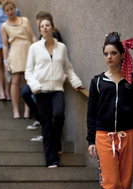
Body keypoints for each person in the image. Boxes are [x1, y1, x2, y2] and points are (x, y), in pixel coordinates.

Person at [87, 32, 133, 189]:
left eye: (113, 53)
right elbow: (91, 114)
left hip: (129, 136)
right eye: (106, 54)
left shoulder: (132, 81)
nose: (109, 57)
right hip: (104, 137)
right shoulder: (97, 81)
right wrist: (91, 140)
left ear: (122, 55)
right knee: (111, 186)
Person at [25, 17, 84, 168]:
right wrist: (35, 85)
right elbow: (29, 71)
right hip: (41, 91)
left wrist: (76, 82)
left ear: (52, 28)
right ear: (40, 30)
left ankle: (57, 143)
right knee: (46, 124)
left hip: (57, 89)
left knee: (58, 116)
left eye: (47, 25)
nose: (45, 28)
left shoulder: (62, 47)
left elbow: (68, 68)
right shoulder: (34, 48)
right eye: (42, 26)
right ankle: (51, 160)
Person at [22, 11, 62, 142]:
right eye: (40, 24)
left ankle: (45, 129)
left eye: (43, 23)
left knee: (54, 113)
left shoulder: (54, 36)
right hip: (38, 77)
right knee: (26, 93)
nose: (40, 25)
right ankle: (40, 121)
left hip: (50, 81)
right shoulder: (40, 40)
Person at [1, 0, 37, 119]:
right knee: (15, 81)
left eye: (11, 9)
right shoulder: (4, 26)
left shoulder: (25, 20)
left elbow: (32, 37)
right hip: (15, 53)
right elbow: (5, 45)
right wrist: (5, 60)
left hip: (28, 50)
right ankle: (15, 110)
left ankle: (28, 110)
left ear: (15, 8)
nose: (10, 11)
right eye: (7, 10)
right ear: (4, 12)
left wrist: (39, 50)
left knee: (28, 81)